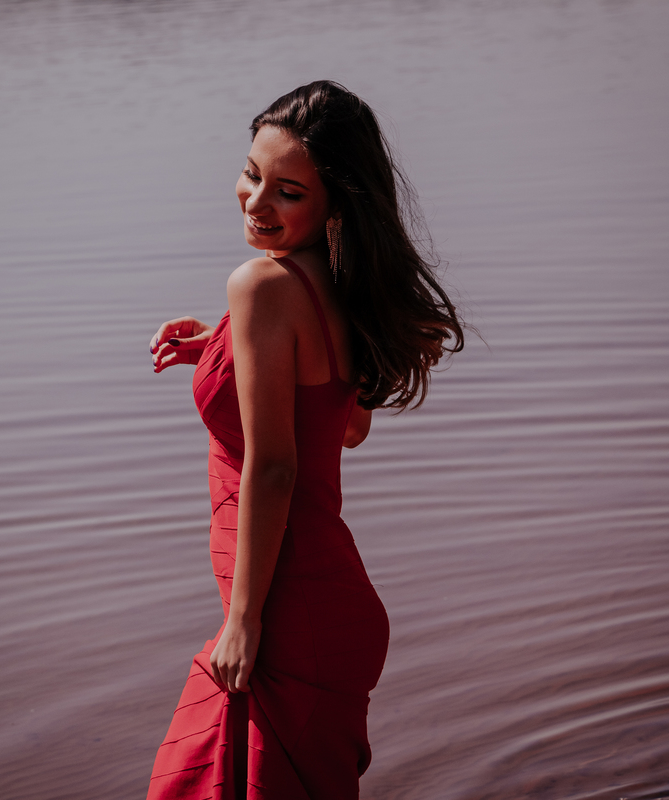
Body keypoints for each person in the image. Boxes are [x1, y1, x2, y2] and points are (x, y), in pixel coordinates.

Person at [146, 80, 468, 800]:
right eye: (252, 175)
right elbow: (343, 425)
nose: (257, 202)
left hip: (286, 620)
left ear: (334, 204)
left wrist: (241, 623)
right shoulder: (331, 287)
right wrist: (225, 349)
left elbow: (276, 471)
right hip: (322, 611)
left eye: (288, 191)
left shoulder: (261, 286)